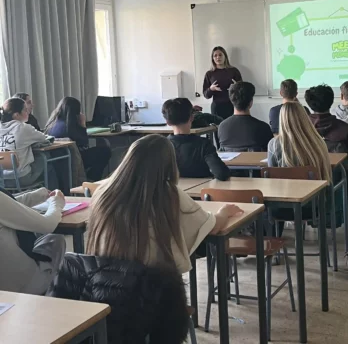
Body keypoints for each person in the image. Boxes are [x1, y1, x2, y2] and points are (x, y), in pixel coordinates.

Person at [86, 134, 243, 274]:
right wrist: (223, 212)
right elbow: (210, 226)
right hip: (151, 284)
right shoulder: (168, 193)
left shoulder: (103, 190)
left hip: (105, 278)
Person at [267, 102, 333, 235]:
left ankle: (274, 242)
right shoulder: (319, 142)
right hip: (314, 206)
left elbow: (271, 178)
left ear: (282, 120)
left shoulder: (274, 144)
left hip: (282, 207)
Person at [0, 186, 66, 294]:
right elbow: (47, 224)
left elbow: (9, 205)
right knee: (56, 239)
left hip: (5, 288)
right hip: (20, 288)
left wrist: (39, 195)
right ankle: (51, 290)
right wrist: (57, 203)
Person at [45, 97, 111, 182]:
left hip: (57, 160)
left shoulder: (52, 124)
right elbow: (85, 144)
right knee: (105, 151)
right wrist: (83, 125)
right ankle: (93, 178)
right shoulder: (69, 127)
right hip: (74, 159)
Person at [162, 98, 230, 181]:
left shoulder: (161, 146)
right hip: (202, 189)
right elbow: (221, 174)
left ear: (167, 122)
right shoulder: (204, 144)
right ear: (192, 118)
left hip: (172, 188)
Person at [305, 84, 348, 173]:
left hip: (309, 176)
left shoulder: (301, 129)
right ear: (331, 101)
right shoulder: (344, 129)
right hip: (339, 176)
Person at [0, 97, 55, 189]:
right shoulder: (23, 128)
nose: (28, 112)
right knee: (48, 160)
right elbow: (43, 138)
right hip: (22, 178)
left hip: (3, 179)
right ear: (16, 115)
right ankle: (55, 194)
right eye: (25, 110)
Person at [218, 81, 273, 151]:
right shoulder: (263, 128)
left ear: (232, 101)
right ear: (251, 103)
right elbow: (271, 152)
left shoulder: (222, 127)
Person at [202, 46, 242, 120]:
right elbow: (206, 95)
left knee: (231, 127)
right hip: (217, 107)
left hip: (232, 106)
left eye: (220, 55)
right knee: (218, 127)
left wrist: (236, 87)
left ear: (225, 56)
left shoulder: (234, 71)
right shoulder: (209, 73)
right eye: (215, 55)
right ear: (212, 58)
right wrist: (211, 89)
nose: (218, 57)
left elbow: (242, 90)